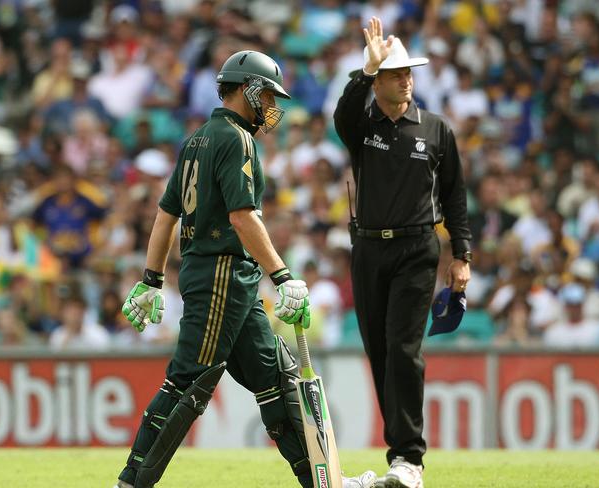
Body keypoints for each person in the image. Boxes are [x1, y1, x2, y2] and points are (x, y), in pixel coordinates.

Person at [114, 50, 376, 488]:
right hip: (223, 274)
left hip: (229, 279)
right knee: (187, 384)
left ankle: (326, 481)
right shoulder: (238, 139)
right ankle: (131, 482)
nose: (272, 107)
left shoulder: (196, 138)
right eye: (268, 96)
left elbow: (165, 215)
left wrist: (151, 280)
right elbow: (242, 217)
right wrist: (283, 275)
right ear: (248, 89)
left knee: (278, 378)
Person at [333, 18, 472, 488]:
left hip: (417, 249)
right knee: (380, 353)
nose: (406, 79)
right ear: (378, 81)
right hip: (368, 249)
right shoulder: (362, 125)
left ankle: (409, 458)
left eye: (409, 72)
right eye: (396, 73)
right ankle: (399, 457)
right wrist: (362, 71)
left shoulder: (435, 130)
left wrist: (462, 255)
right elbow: (341, 116)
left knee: (404, 350)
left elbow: (455, 196)